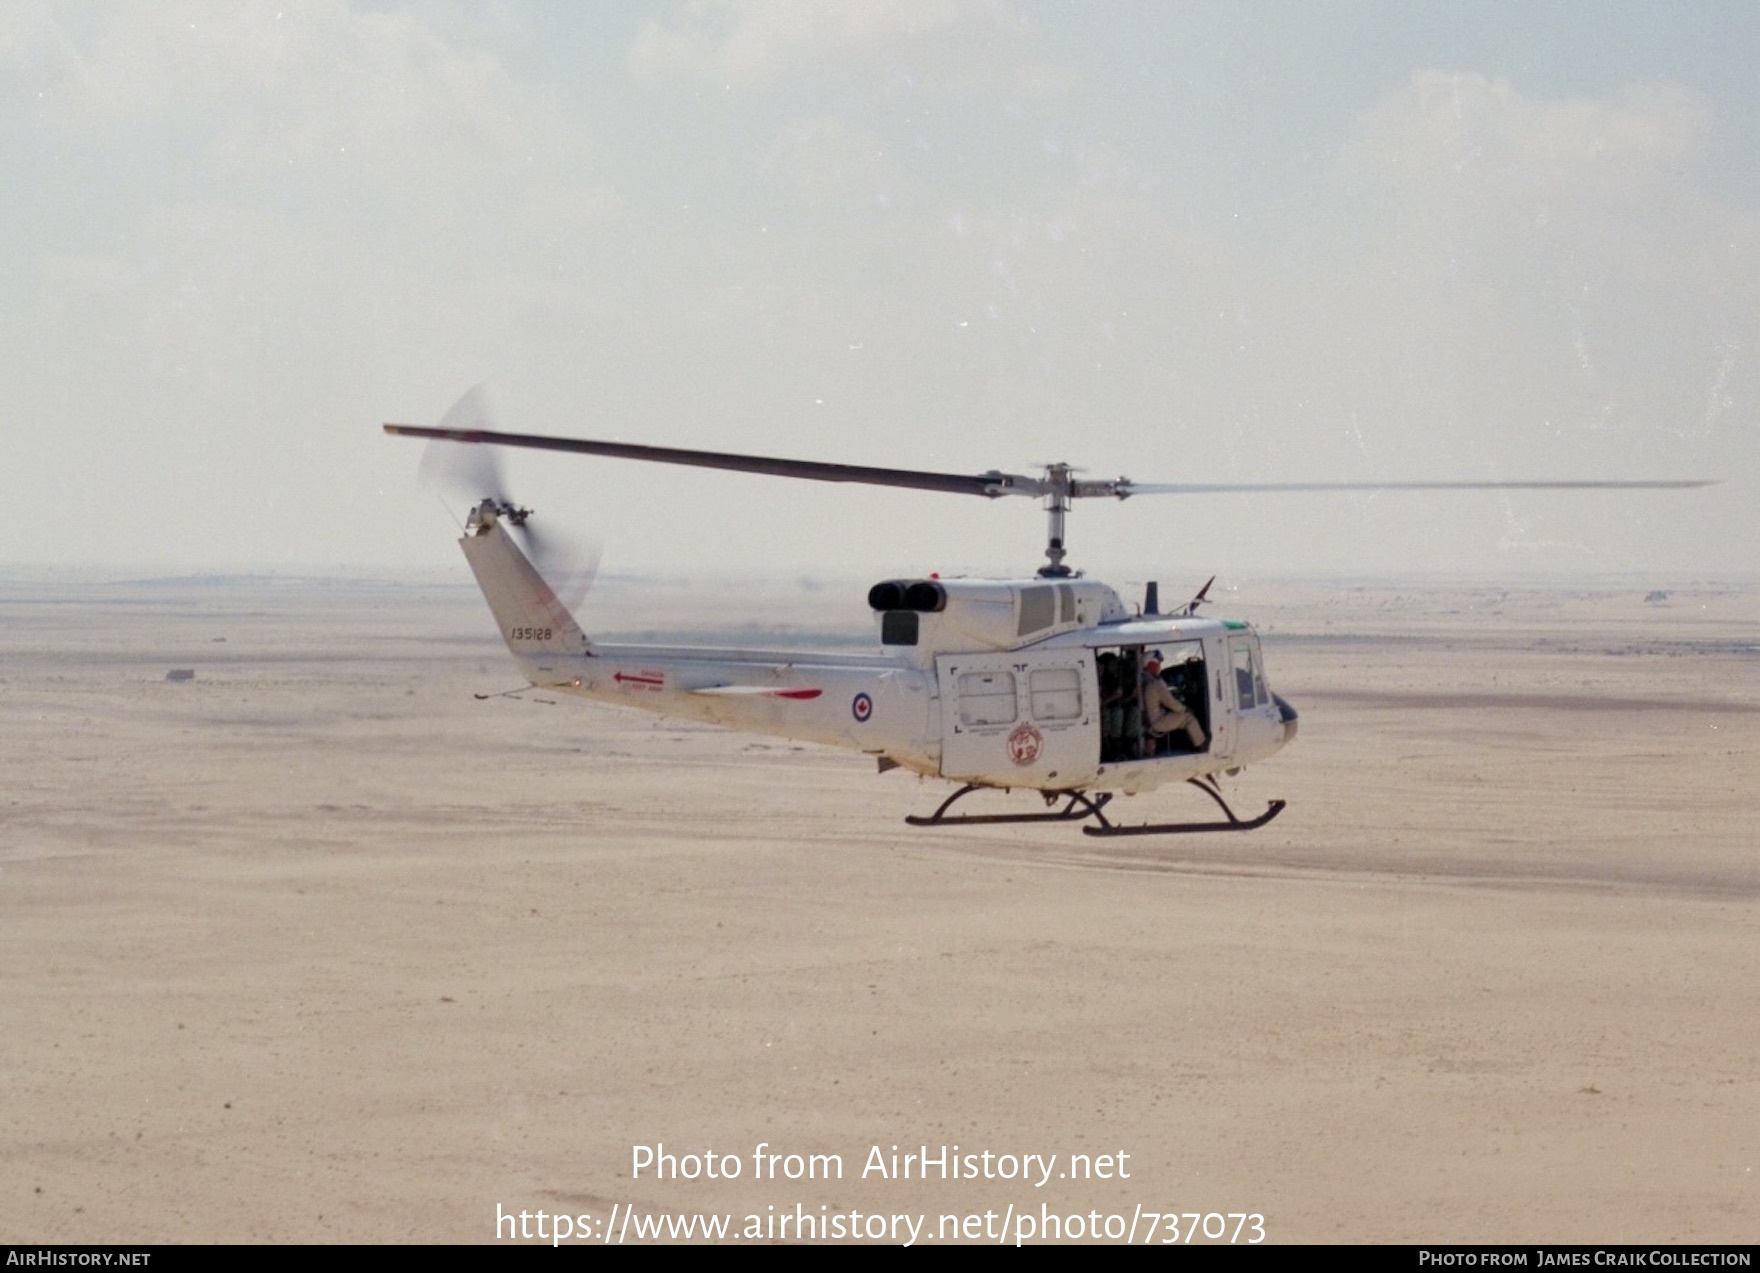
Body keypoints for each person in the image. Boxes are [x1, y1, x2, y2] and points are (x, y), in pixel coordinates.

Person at [1141, 653, 1206, 752]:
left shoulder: (1149, 680)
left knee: (1183, 716)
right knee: (1188, 718)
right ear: (1152, 665)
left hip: (1153, 718)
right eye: (1157, 664)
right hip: (1158, 721)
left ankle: (1193, 744)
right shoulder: (1155, 683)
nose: (1159, 666)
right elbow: (1170, 703)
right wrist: (1185, 709)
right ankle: (1202, 747)